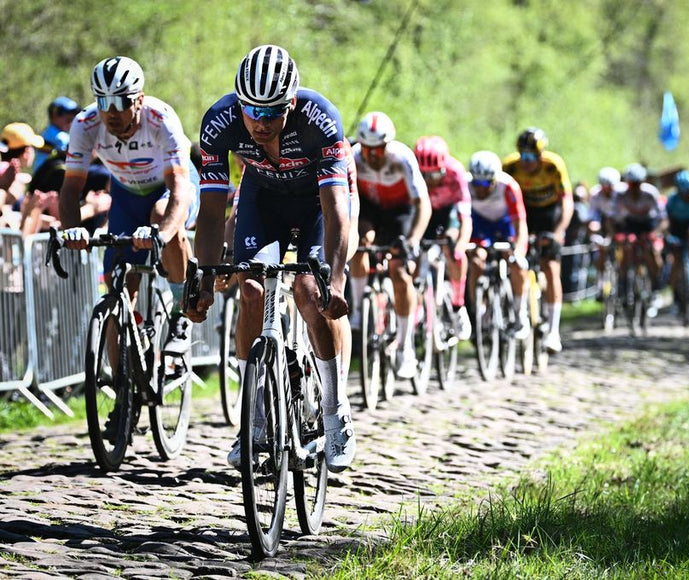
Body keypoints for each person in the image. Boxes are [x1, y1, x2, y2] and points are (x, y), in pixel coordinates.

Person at [186, 45, 358, 473]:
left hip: (318, 205)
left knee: (308, 289)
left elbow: (337, 211)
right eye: (252, 111)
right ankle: (253, 420)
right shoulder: (219, 122)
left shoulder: (320, 119)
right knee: (250, 289)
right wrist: (205, 279)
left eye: (273, 113)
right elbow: (211, 210)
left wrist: (333, 280)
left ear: (292, 103)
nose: (261, 123)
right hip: (263, 200)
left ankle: (336, 412)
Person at [58, 56, 198, 354]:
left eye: (121, 102)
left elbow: (178, 191)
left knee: (163, 218)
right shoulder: (85, 124)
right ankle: (122, 388)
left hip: (173, 187)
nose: (111, 111)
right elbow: (70, 189)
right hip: (127, 194)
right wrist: (72, 230)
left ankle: (180, 315)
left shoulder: (160, 119)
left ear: (140, 100)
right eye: (103, 101)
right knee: (118, 287)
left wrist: (161, 234)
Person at [348, 111, 431, 380]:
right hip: (370, 211)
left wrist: (414, 242)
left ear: (388, 144)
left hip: (400, 214)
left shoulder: (402, 157)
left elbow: (423, 205)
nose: (373, 155)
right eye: (368, 149)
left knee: (398, 270)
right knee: (360, 246)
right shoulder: (354, 155)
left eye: (379, 149)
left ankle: (405, 347)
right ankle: (359, 311)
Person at [502, 128, 572, 353]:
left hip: (548, 215)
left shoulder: (553, 165)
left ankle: (553, 330)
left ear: (541, 156)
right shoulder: (510, 167)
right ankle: (517, 312)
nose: (526, 162)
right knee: (514, 259)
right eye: (523, 155)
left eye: (531, 157)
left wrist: (558, 232)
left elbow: (566, 203)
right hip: (523, 214)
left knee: (551, 268)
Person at [413, 135, 472, 340]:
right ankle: (417, 306)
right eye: (424, 176)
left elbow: (465, 217)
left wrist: (461, 246)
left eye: (435, 175)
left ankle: (458, 305)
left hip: (448, 213)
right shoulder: (410, 169)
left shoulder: (456, 172)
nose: (430, 181)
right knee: (414, 252)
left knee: (451, 246)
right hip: (425, 211)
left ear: (444, 167)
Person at [465, 150, 529, 335]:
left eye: (485, 183)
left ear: (495, 180)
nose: (480, 188)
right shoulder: (465, 184)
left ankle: (519, 313)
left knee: (514, 261)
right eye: (476, 183)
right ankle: (479, 311)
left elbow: (520, 224)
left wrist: (519, 252)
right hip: (480, 223)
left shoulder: (508, 186)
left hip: (504, 223)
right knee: (476, 259)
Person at [608, 163, 667, 300]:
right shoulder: (620, 194)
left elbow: (663, 218)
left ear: (642, 182)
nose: (634, 188)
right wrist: (615, 234)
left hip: (649, 224)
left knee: (652, 251)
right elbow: (612, 218)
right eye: (631, 184)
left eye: (637, 184)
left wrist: (656, 233)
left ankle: (655, 283)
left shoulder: (650, 193)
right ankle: (623, 282)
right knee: (626, 249)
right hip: (630, 224)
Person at [33, 97, 81, 173]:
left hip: (39, 176)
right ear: (55, 115)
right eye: (68, 120)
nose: (71, 124)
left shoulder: (47, 132)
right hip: (51, 175)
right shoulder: (60, 137)